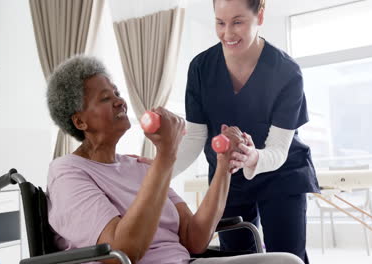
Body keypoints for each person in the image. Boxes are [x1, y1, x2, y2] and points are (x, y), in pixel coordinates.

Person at [45, 55, 304, 264]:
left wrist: (224, 164)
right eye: (105, 98)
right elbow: (123, 253)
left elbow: (195, 239)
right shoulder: (68, 172)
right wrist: (165, 156)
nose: (120, 101)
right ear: (79, 121)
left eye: (116, 93)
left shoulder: (140, 167)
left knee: (286, 262)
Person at [163, 0, 320, 263]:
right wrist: (157, 173)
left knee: (286, 256)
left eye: (237, 22)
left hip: (281, 174)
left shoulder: (286, 71)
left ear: (259, 15)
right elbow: (195, 138)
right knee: (236, 258)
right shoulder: (201, 68)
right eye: (220, 22)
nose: (227, 33)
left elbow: (279, 150)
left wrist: (252, 157)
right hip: (228, 176)